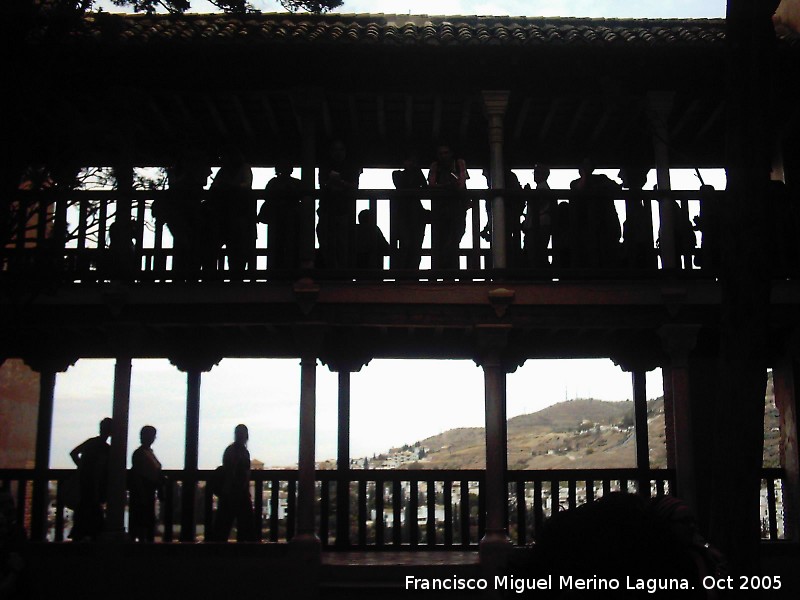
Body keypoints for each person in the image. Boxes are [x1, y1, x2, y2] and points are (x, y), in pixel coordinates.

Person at [159, 148, 211, 273]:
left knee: (187, 243)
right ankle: (189, 271)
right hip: (186, 215)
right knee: (189, 243)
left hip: (185, 215)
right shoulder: (186, 184)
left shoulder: (179, 181)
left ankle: (185, 271)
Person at [208, 145, 255, 272]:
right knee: (218, 246)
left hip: (239, 214)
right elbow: (215, 186)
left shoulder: (244, 168)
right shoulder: (223, 171)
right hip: (223, 215)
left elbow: (246, 185)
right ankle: (213, 276)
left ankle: (236, 275)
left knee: (238, 249)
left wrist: (231, 187)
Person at [569, 159, 621, 268]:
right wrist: (584, 177)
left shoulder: (602, 178)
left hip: (605, 222)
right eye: (582, 166)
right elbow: (577, 190)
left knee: (605, 251)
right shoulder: (575, 183)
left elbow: (617, 188)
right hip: (585, 224)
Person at [317, 140, 361, 269]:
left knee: (342, 243)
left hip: (343, 211)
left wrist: (339, 183)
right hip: (326, 210)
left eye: (341, 149)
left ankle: (341, 271)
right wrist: (342, 184)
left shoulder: (350, 167)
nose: (338, 153)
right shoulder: (325, 166)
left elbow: (354, 186)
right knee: (325, 241)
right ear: (331, 152)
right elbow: (323, 185)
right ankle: (330, 269)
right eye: (336, 150)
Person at [69, 417, 113, 541]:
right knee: (94, 517)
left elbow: (73, 453)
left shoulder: (91, 443)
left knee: (83, 514)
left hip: (85, 483)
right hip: (94, 486)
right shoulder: (106, 448)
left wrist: (81, 468)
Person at [428, 144, 469, 270]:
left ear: (451, 153)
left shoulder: (459, 163)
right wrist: (448, 186)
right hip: (441, 209)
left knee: (457, 234)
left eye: (446, 153)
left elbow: (461, 184)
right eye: (441, 153)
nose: (443, 156)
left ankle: (449, 267)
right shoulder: (435, 166)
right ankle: (445, 269)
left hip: (458, 207)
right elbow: (431, 184)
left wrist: (446, 186)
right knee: (442, 238)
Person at [258, 159, 304, 271]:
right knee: (279, 245)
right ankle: (280, 270)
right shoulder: (294, 183)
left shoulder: (275, 183)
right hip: (280, 219)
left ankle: (281, 270)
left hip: (287, 219)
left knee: (285, 245)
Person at [211, 424, 255, 542]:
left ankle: (217, 553)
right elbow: (237, 472)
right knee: (245, 525)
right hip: (236, 492)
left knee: (223, 525)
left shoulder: (232, 451)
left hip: (230, 492)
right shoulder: (242, 452)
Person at [390, 155, 430, 270]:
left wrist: (416, 172)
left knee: (416, 245)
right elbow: (402, 185)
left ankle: (413, 272)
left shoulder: (416, 173)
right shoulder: (397, 174)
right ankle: (403, 272)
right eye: (408, 160)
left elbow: (425, 188)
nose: (410, 163)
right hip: (404, 213)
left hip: (415, 213)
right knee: (406, 243)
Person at [482, 168, 525, 268]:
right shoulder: (492, 194)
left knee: (506, 247)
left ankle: (507, 271)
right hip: (501, 226)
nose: (486, 179)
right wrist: (488, 227)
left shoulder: (501, 193)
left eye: (487, 176)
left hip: (507, 225)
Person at [128, 425, 163, 543]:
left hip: (147, 490)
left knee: (144, 520)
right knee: (142, 520)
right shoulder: (141, 453)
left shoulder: (144, 452)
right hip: (143, 491)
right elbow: (137, 474)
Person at [619, 166, 657, 269]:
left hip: (638, 258)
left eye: (622, 172)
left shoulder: (636, 211)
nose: (619, 175)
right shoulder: (640, 208)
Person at [523, 164, 554, 268]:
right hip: (539, 225)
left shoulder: (543, 189)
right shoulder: (541, 188)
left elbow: (537, 206)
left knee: (537, 252)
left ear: (544, 175)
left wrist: (528, 194)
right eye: (534, 172)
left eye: (537, 173)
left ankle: (540, 275)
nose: (534, 175)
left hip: (540, 225)